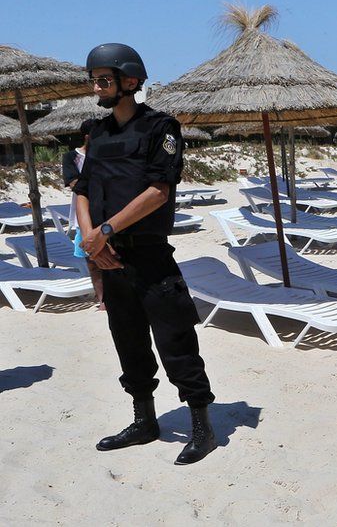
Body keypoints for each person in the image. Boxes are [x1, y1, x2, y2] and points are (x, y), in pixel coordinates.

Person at [74, 43, 217, 465]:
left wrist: (106, 230)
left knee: (176, 342)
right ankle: (144, 422)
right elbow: (81, 191)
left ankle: (201, 427)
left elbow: (159, 191)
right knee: (128, 342)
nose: (97, 86)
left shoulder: (161, 128)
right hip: (108, 257)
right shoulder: (96, 132)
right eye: (94, 79)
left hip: (150, 256)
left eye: (105, 79)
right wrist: (91, 239)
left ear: (130, 81)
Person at [62, 118, 104, 309]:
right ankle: (103, 299)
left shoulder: (107, 156)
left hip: (106, 212)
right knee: (92, 262)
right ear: (88, 137)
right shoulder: (72, 157)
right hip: (83, 214)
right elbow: (72, 182)